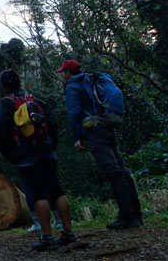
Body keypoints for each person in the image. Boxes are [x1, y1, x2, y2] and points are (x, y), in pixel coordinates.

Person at [0, 69, 76, 251]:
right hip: (46, 149)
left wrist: (11, 154)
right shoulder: (35, 100)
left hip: (25, 155)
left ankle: (46, 236)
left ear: (3, 86)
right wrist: (51, 145)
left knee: (39, 193)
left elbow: (0, 132)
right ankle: (68, 232)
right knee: (56, 190)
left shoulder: (5, 104)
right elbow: (52, 123)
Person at [57, 59, 143, 230]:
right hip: (108, 128)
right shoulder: (91, 81)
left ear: (68, 73)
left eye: (63, 72)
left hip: (94, 131)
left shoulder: (73, 87)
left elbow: (74, 113)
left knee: (113, 172)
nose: (63, 76)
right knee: (122, 170)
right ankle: (136, 215)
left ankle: (127, 216)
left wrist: (77, 137)